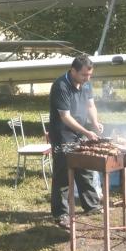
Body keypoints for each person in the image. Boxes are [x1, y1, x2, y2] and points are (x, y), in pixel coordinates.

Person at [49, 55, 105, 227]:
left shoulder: (86, 84)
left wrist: (94, 123)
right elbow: (65, 117)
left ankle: (91, 206)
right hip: (62, 134)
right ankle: (61, 214)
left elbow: (90, 106)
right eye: (83, 75)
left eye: (89, 75)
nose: (87, 79)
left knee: (84, 167)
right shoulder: (61, 86)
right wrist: (87, 132)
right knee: (63, 174)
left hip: (80, 131)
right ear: (73, 71)